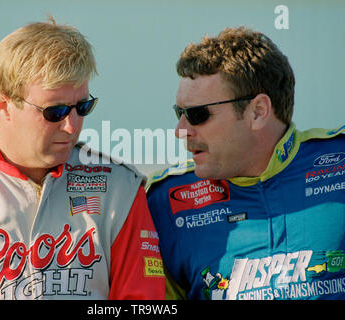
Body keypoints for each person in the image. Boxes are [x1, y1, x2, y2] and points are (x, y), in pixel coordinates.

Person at [0, 18, 165, 300]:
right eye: (55, 112)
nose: (72, 126)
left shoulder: (119, 188)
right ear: (4, 105)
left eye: (83, 107)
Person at [146, 26, 345, 300]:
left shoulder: (339, 162)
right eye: (179, 113)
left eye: (197, 114)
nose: (181, 130)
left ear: (258, 112)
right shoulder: (163, 202)